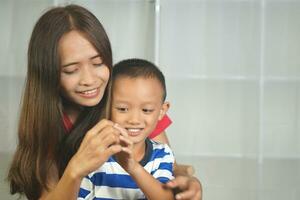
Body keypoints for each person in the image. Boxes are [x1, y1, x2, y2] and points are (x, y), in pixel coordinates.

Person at [7, 4, 202, 200]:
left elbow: (169, 168)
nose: (89, 80)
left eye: (98, 63)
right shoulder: (48, 124)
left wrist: (188, 180)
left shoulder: (132, 103)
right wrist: (76, 169)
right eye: (71, 70)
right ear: (48, 74)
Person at [79, 58, 175, 199]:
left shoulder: (162, 155)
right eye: (123, 109)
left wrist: (132, 167)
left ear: (162, 111)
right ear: (107, 106)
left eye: (146, 110)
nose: (134, 120)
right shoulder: (94, 154)